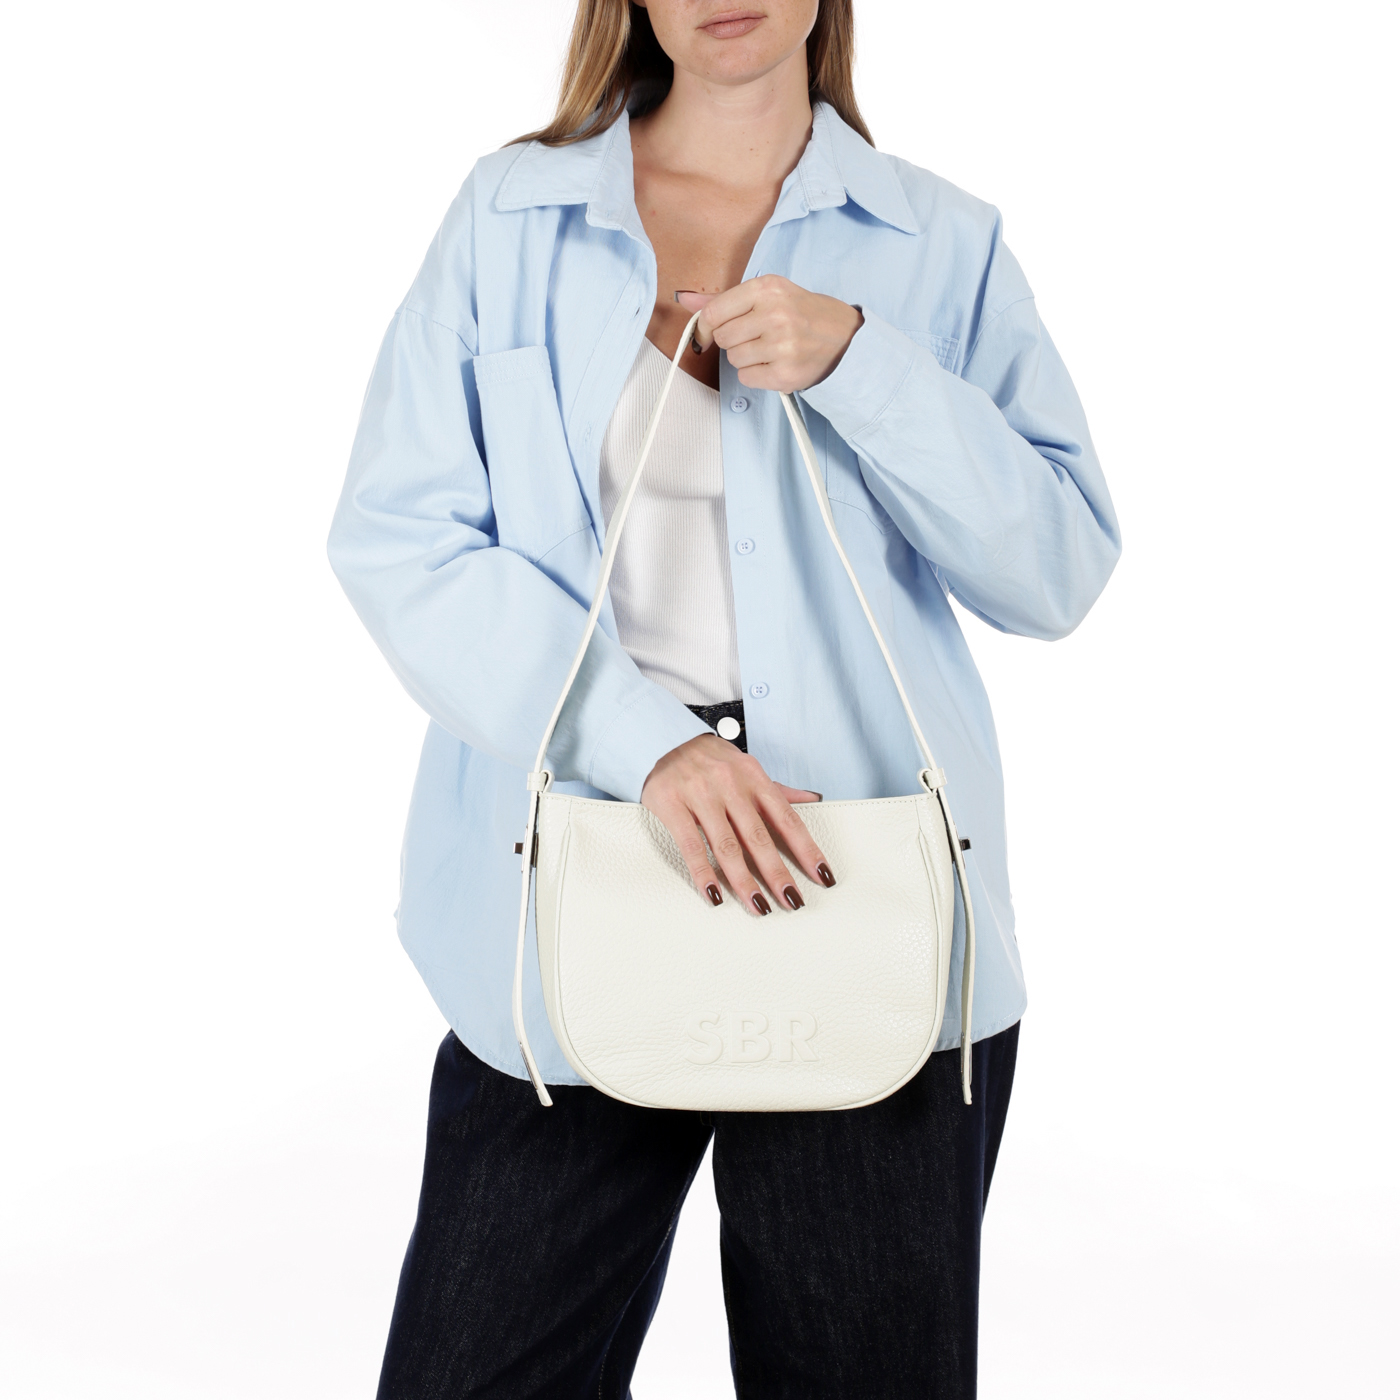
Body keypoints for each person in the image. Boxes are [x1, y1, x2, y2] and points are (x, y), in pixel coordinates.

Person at [328, 1, 1120, 1394]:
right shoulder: (510, 218)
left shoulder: (942, 242)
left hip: (864, 900)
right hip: (566, 886)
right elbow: (404, 541)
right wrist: (651, 748)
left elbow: (1053, 571)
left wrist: (864, 361)